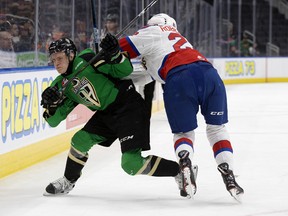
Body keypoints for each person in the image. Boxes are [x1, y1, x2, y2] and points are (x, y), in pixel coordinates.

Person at [119, 13, 244, 201]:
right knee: (217, 129)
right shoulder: (178, 40)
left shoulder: (153, 31)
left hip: (179, 78)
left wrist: (105, 48)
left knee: (184, 133)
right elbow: (148, 74)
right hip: (209, 73)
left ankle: (185, 161)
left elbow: (120, 48)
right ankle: (228, 171)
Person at [41, 35, 181, 196]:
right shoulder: (60, 85)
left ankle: (179, 171)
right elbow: (53, 121)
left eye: (59, 58)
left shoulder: (87, 59)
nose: (56, 63)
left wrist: (115, 54)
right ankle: (68, 180)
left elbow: (125, 70)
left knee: (131, 164)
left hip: (128, 106)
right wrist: (51, 106)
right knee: (80, 140)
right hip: (106, 113)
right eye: (53, 59)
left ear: (71, 55)